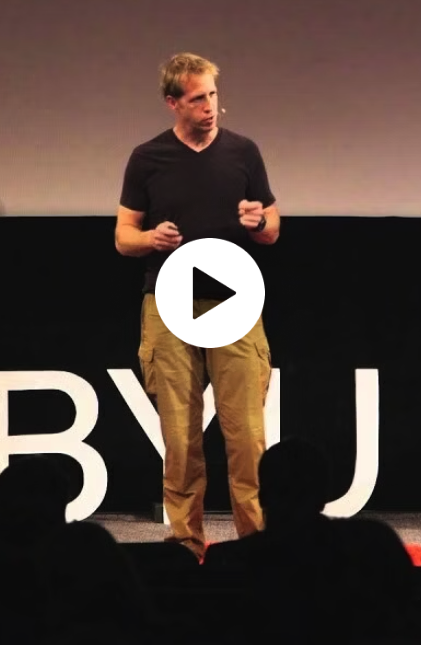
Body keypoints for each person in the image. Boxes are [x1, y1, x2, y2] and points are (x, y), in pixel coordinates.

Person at [115, 52, 281, 558]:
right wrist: (150, 239)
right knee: (181, 442)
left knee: (247, 437)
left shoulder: (243, 153)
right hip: (170, 307)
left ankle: (257, 546)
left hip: (234, 302)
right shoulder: (148, 158)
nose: (209, 107)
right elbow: (123, 237)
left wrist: (258, 223)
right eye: (197, 98)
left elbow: (272, 228)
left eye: (213, 96)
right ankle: (186, 546)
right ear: (173, 103)